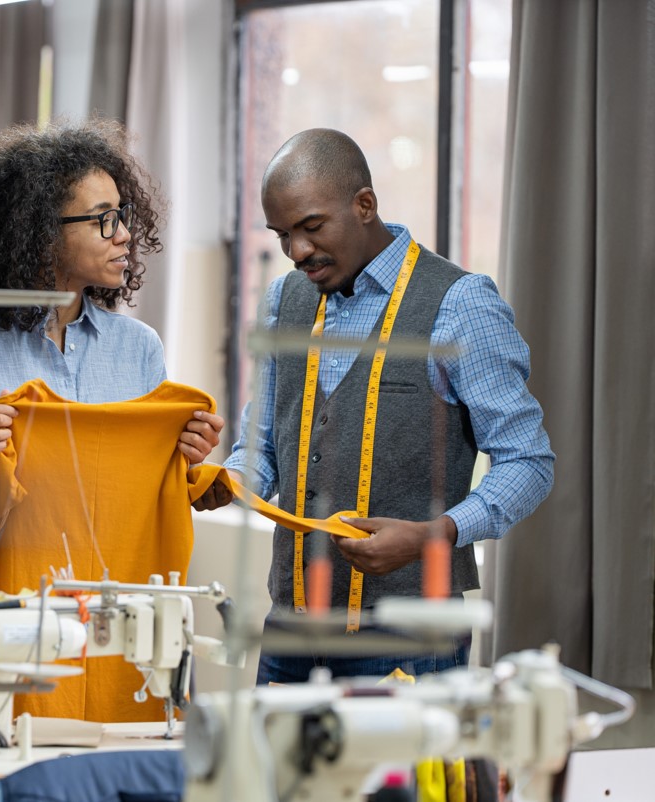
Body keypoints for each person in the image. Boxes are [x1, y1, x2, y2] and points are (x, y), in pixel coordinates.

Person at [194, 128, 554, 683]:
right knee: (272, 774)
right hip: (290, 629)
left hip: (410, 638)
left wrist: (434, 536)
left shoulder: (459, 305)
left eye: (311, 228)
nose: (297, 252)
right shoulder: (283, 301)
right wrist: (230, 479)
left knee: (405, 777)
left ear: (365, 205)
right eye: (282, 234)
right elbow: (262, 445)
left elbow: (528, 463)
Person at [0, 118, 225, 589]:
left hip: (114, 611)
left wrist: (186, 460)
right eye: (104, 219)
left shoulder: (139, 349)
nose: (125, 235)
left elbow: (140, 494)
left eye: (123, 215)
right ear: (41, 233)